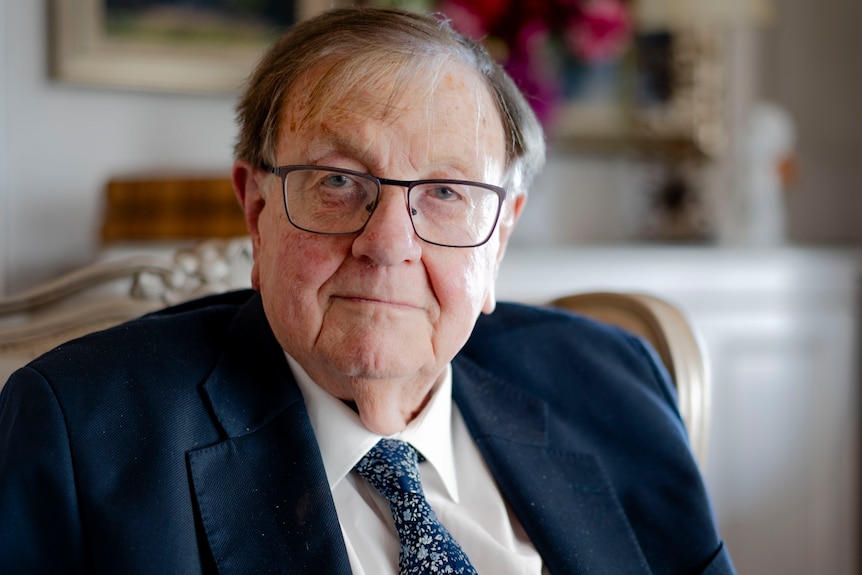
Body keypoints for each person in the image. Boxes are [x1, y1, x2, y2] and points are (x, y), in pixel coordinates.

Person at [0, 6, 734, 574]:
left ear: (500, 236)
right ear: (257, 212)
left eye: (446, 192)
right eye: (338, 182)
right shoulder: (80, 434)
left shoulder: (615, 384)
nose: (388, 245)